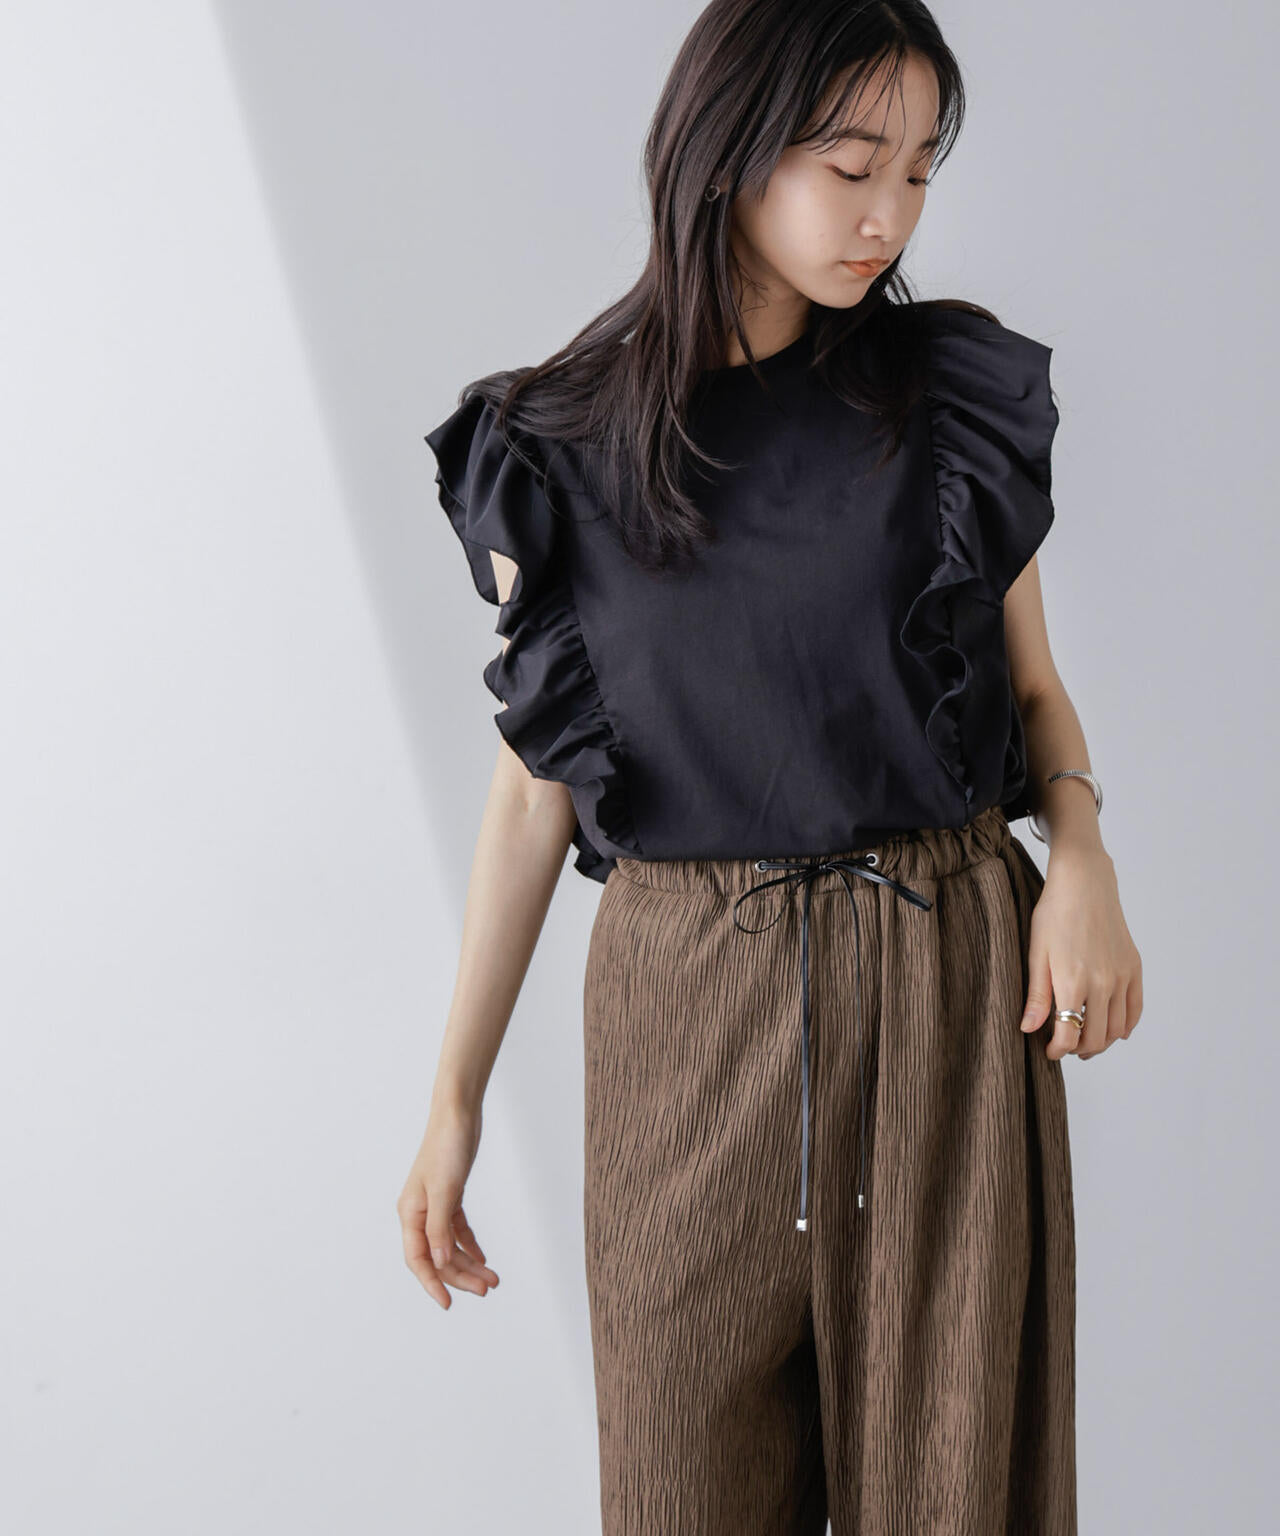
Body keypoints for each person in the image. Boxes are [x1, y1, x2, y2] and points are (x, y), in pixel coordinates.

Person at [401, 1, 1142, 1530]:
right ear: (727, 149)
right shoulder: (553, 450)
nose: (890, 216)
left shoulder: (948, 402)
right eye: (852, 165)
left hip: (946, 983)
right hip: (687, 1005)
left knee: (954, 1486)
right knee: (682, 1484)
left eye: (920, 171)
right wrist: (454, 1097)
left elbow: (1032, 687)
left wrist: (1083, 863)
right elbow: (533, 787)